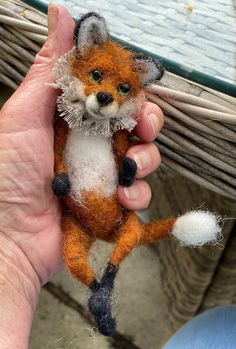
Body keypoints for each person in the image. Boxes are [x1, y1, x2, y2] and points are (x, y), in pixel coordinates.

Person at [0, 5, 164, 348]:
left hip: (114, 214)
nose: (106, 93)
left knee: (132, 232)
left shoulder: (116, 132)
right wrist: (59, 175)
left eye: (121, 88)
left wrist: (128, 169)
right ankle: (97, 293)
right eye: (96, 77)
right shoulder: (65, 122)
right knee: (74, 257)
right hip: (75, 218)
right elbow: (57, 152)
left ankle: (110, 275)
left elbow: (123, 158)